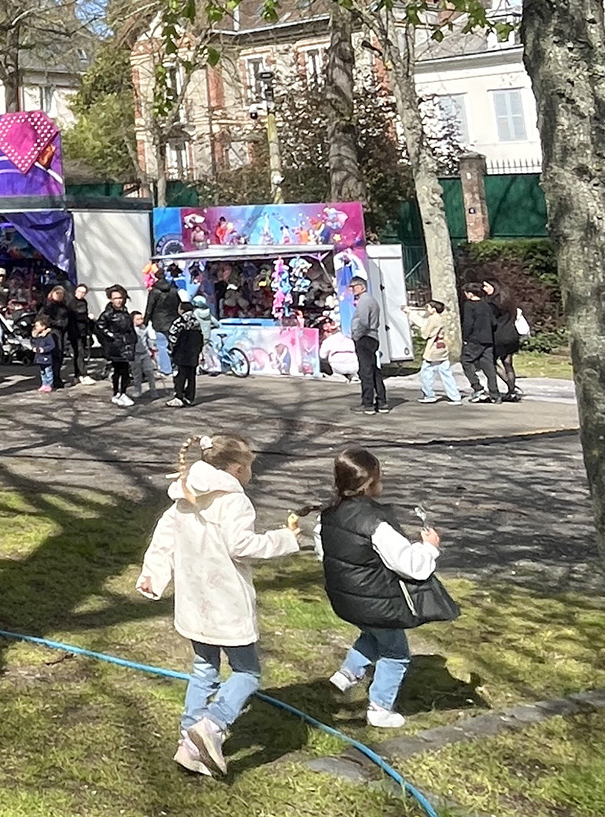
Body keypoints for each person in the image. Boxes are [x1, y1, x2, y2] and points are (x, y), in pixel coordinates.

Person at [137, 434, 301, 777]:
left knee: (204, 668)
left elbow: (164, 538)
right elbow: (241, 545)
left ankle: (188, 742)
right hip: (225, 600)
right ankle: (211, 725)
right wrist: (285, 539)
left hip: (194, 599)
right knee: (247, 672)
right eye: (250, 469)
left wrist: (153, 574)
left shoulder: (185, 495)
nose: (251, 475)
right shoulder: (234, 501)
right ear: (238, 469)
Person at [317, 447, 444, 729]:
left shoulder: (328, 514)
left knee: (375, 634)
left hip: (346, 597)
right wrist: (429, 548)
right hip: (377, 600)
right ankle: (379, 708)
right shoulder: (376, 523)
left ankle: (347, 674)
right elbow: (412, 566)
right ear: (369, 483)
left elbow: (326, 552)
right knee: (396, 653)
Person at [95, 284, 138, 407]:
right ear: (111, 299)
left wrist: (133, 339)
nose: (118, 300)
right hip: (115, 346)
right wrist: (111, 336)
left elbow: (129, 327)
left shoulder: (125, 312)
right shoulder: (107, 314)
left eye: (120, 298)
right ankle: (117, 393)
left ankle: (122, 392)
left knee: (125, 371)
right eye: (115, 298)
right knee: (118, 370)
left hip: (126, 345)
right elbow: (100, 326)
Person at [415, 300, 463, 405]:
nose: (426, 309)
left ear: (433, 309)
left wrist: (422, 328)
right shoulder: (439, 318)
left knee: (426, 371)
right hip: (442, 347)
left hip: (433, 348)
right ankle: (454, 396)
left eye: (428, 307)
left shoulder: (433, 319)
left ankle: (429, 394)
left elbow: (426, 334)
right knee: (446, 372)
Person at [350, 276, 387, 415]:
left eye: (354, 286)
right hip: (372, 337)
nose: (352, 289)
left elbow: (364, 322)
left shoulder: (364, 301)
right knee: (373, 369)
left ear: (362, 287)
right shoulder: (370, 300)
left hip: (365, 338)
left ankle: (368, 403)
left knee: (365, 371)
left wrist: (356, 335)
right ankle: (382, 401)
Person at [459, 284, 499, 402]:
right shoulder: (486, 304)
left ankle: (477, 387)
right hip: (488, 339)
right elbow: (493, 322)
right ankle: (495, 394)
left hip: (474, 339)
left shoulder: (469, 305)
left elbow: (468, 323)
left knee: (466, 360)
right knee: (488, 366)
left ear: (470, 294)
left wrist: (465, 338)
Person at [487, 280, 523, 402]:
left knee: (491, 362)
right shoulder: (509, 302)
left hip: (498, 336)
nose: (484, 289)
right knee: (508, 363)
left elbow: (491, 321)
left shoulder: (492, 304)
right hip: (512, 334)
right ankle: (512, 390)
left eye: (486, 286)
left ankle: (510, 386)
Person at [167, 298, 204, 407]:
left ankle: (179, 396)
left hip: (182, 352)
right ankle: (190, 397)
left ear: (181, 310)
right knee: (191, 376)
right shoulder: (197, 322)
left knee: (180, 375)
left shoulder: (179, 321)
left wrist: (172, 349)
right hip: (193, 353)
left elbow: (172, 336)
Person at [35, 284, 72, 392]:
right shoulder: (48, 306)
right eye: (57, 294)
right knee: (51, 356)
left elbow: (67, 320)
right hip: (50, 333)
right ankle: (50, 380)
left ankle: (56, 377)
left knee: (59, 356)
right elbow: (42, 319)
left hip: (61, 333)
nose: (59, 296)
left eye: (61, 294)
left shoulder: (65, 307)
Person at [146, 272, 183, 376]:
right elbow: (179, 305)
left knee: (162, 345)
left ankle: (166, 369)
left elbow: (150, 308)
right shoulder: (174, 290)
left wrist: (145, 322)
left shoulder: (154, 291)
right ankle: (175, 367)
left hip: (159, 322)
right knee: (174, 344)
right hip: (173, 320)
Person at [69, 283, 95, 379]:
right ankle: (82, 374)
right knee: (79, 353)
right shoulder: (71, 303)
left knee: (81, 353)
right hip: (75, 332)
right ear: (75, 291)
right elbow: (75, 316)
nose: (81, 294)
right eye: (79, 291)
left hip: (83, 331)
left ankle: (78, 374)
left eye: (83, 292)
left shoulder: (84, 302)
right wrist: (87, 317)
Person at [131, 310, 157, 400]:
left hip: (145, 353)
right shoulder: (131, 330)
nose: (140, 321)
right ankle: (137, 390)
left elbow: (148, 339)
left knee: (150, 372)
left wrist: (152, 349)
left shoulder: (144, 328)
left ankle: (153, 390)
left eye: (141, 318)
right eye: (138, 319)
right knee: (137, 374)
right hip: (135, 354)